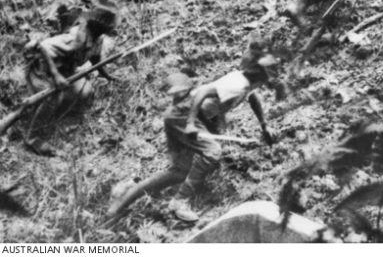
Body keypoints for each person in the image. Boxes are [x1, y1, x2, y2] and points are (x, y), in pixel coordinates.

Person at [107, 41, 284, 223]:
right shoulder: (237, 83)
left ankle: (120, 203)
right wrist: (191, 123)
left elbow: (253, 97)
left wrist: (264, 125)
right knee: (213, 151)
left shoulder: (246, 83)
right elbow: (203, 92)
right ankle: (180, 201)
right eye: (267, 75)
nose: (268, 80)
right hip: (184, 115)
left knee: (180, 172)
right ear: (260, 74)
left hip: (181, 114)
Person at [24, 0, 119, 155]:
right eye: (110, 26)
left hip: (64, 70)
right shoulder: (76, 38)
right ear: (100, 25)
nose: (113, 29)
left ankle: (56, 117)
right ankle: (33, 138)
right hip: (42, 71)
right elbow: (44, 48)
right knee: (53, 97)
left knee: (85, 90)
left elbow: (95, 58)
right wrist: (55, 76)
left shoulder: (97, 37)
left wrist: (107, 75)